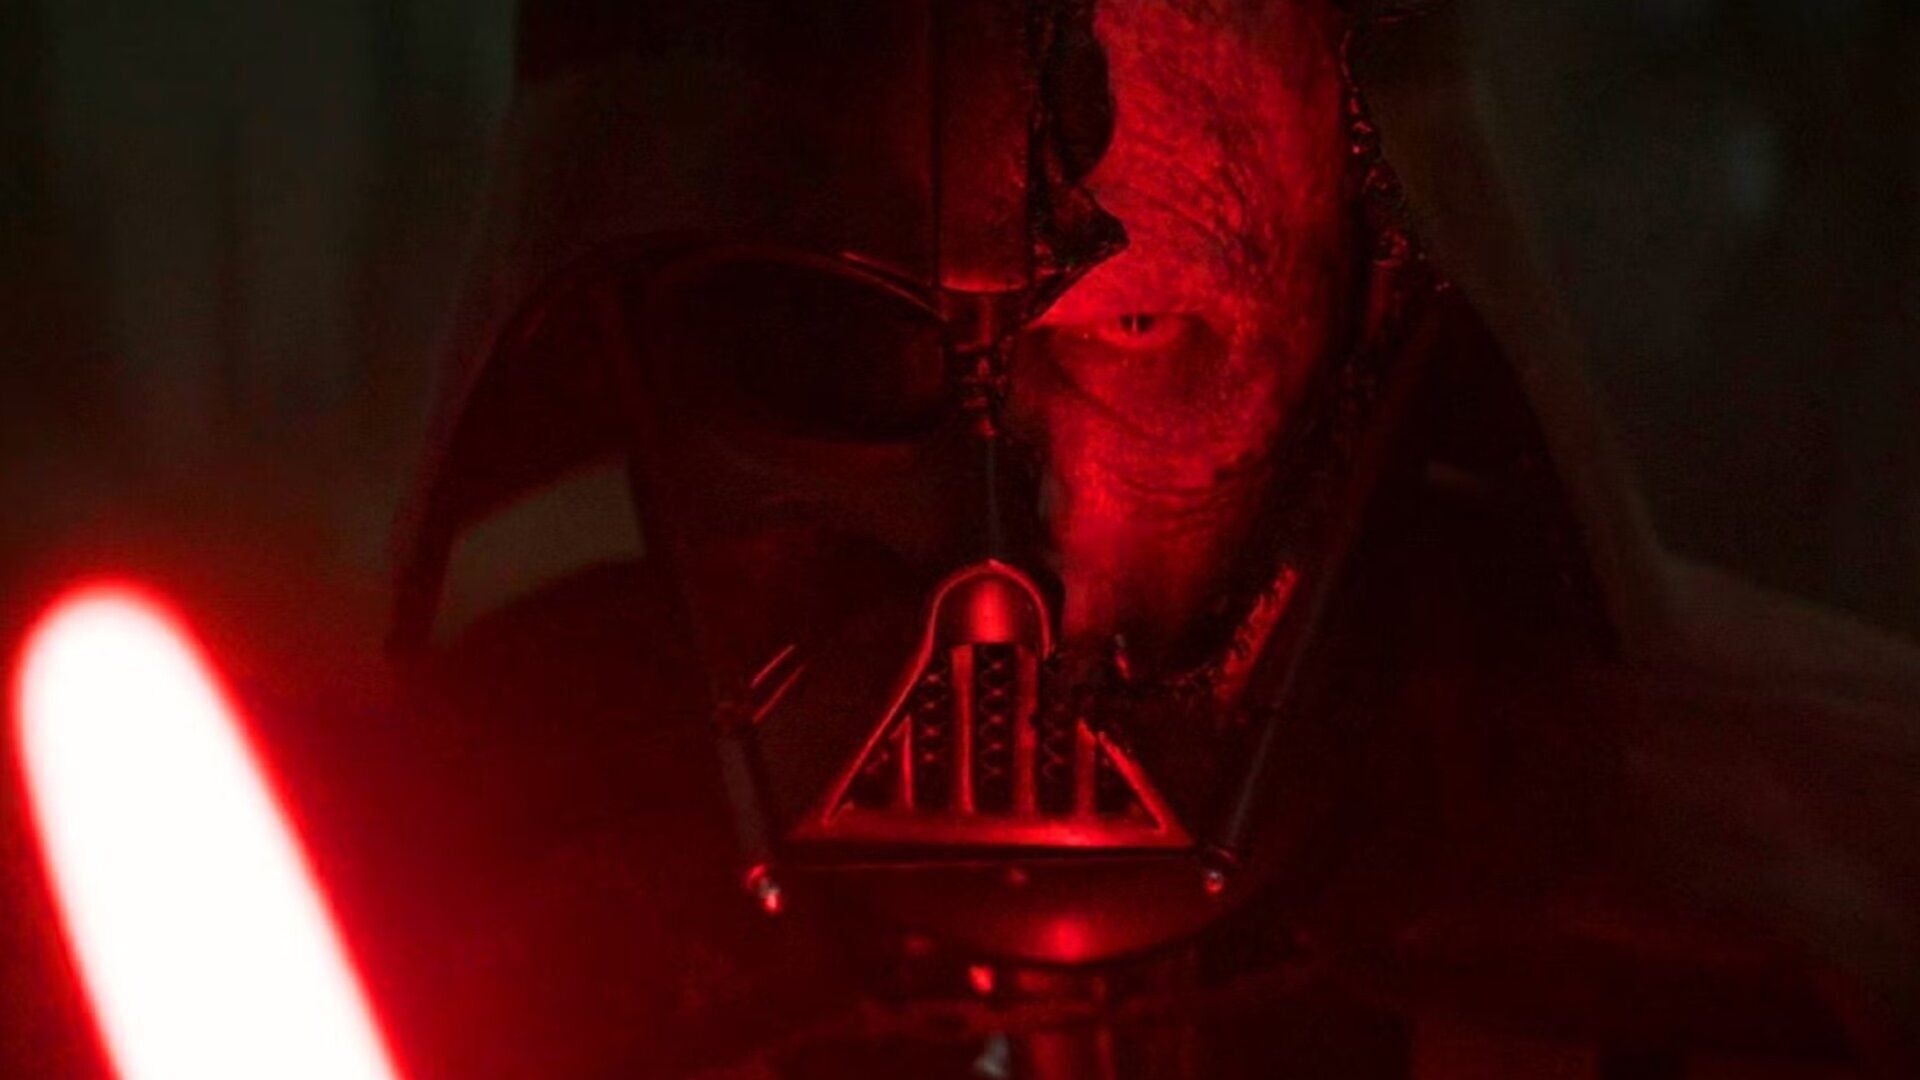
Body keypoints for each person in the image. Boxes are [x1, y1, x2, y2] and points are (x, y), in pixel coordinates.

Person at [257, 0, 1920, 1076]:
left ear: (1368, 328)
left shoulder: (1810, 951)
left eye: (1140, 336)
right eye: (842, 340)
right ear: (619, 334)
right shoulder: (352, 914)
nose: (1002, 583)